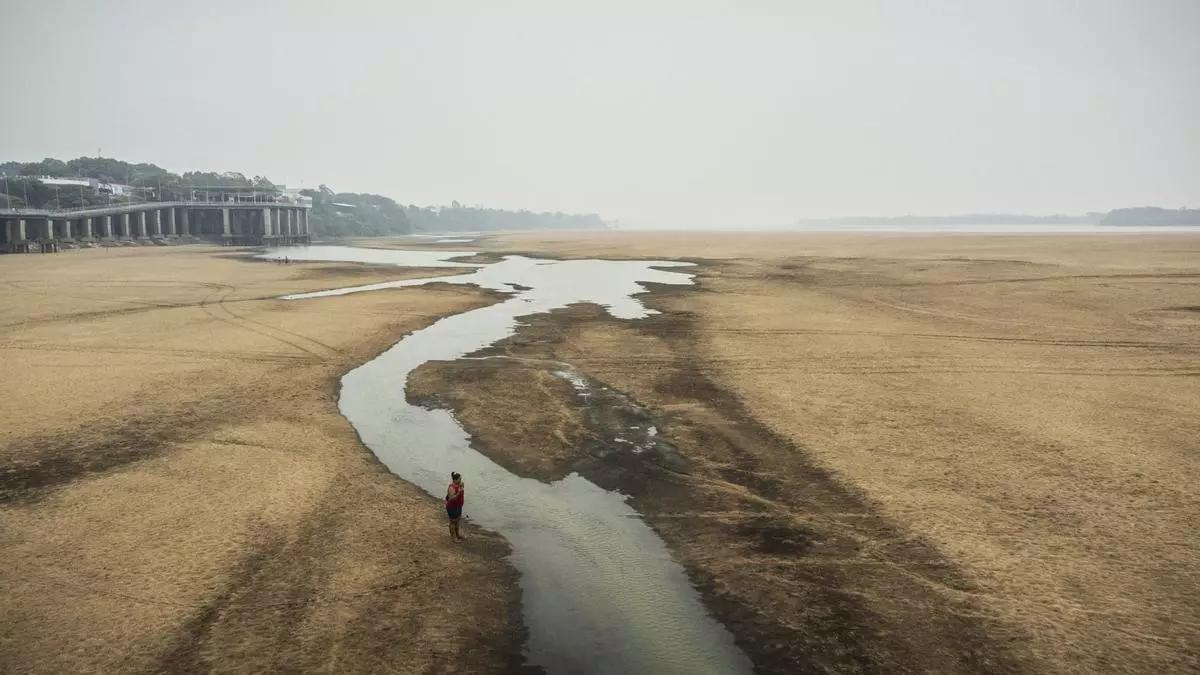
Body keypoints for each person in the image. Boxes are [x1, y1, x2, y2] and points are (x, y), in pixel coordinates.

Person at [445, 472, 465, 540]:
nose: (460, 480)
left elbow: (462, 486)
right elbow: (451, 498)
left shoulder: (460, 485)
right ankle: (453, 537)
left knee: (457, 520)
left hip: (458, 506)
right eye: (459, 479)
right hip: (452, 507)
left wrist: (461, 487)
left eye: (461, 479)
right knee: (453, 521)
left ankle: (457, 535)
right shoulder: (451, 487)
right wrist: (458, 492)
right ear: (455, 480)